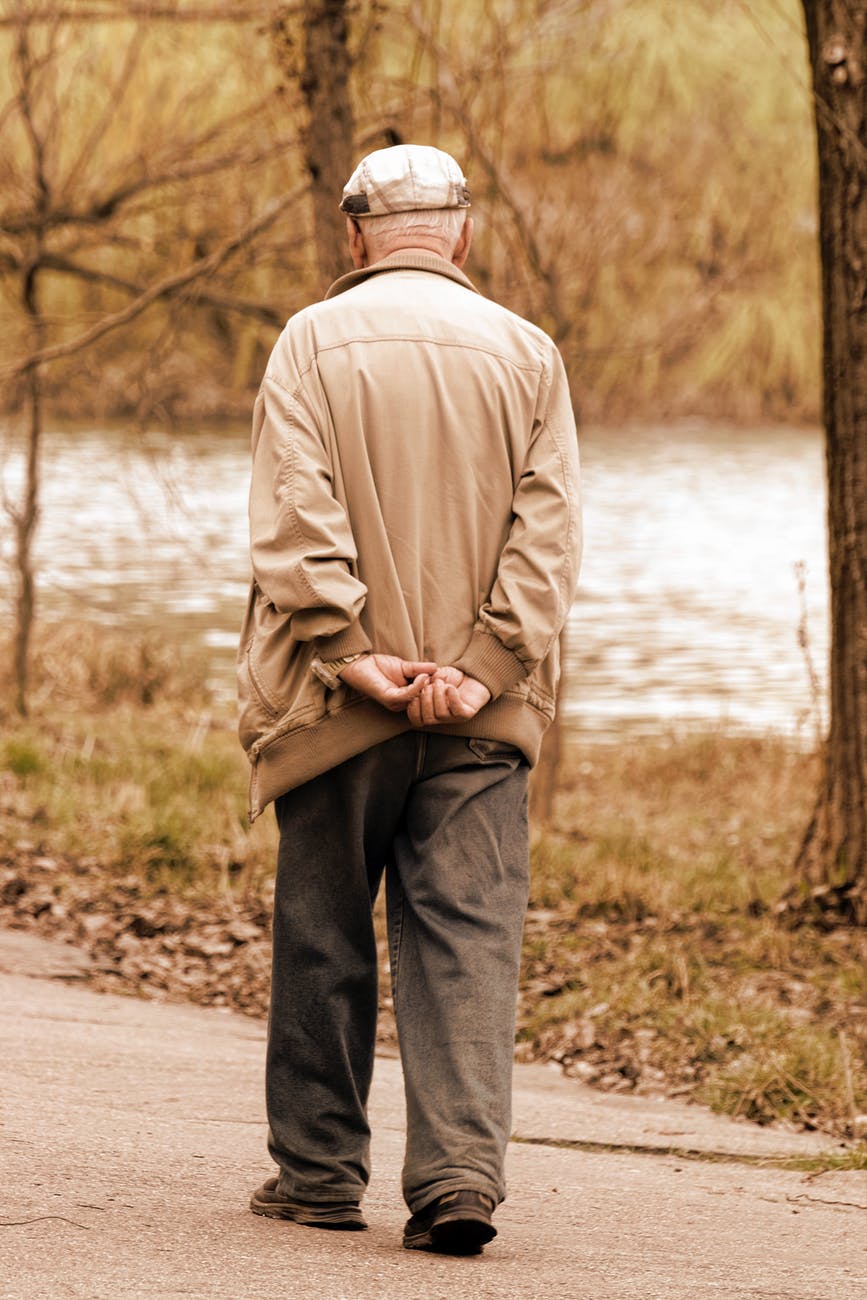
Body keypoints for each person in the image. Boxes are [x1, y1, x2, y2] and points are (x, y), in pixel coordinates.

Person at [238, 143, 581, 1255]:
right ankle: (459, 1181)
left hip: (345, 705)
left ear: (354, 235)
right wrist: (485, 662)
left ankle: (319, 1175)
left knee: (325, 931)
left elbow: (296, 510)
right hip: (482, 712)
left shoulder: (309, 343)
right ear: (465, 235)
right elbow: (550, 535)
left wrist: (348, 646)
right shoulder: (530, 354)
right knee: (470, 939)